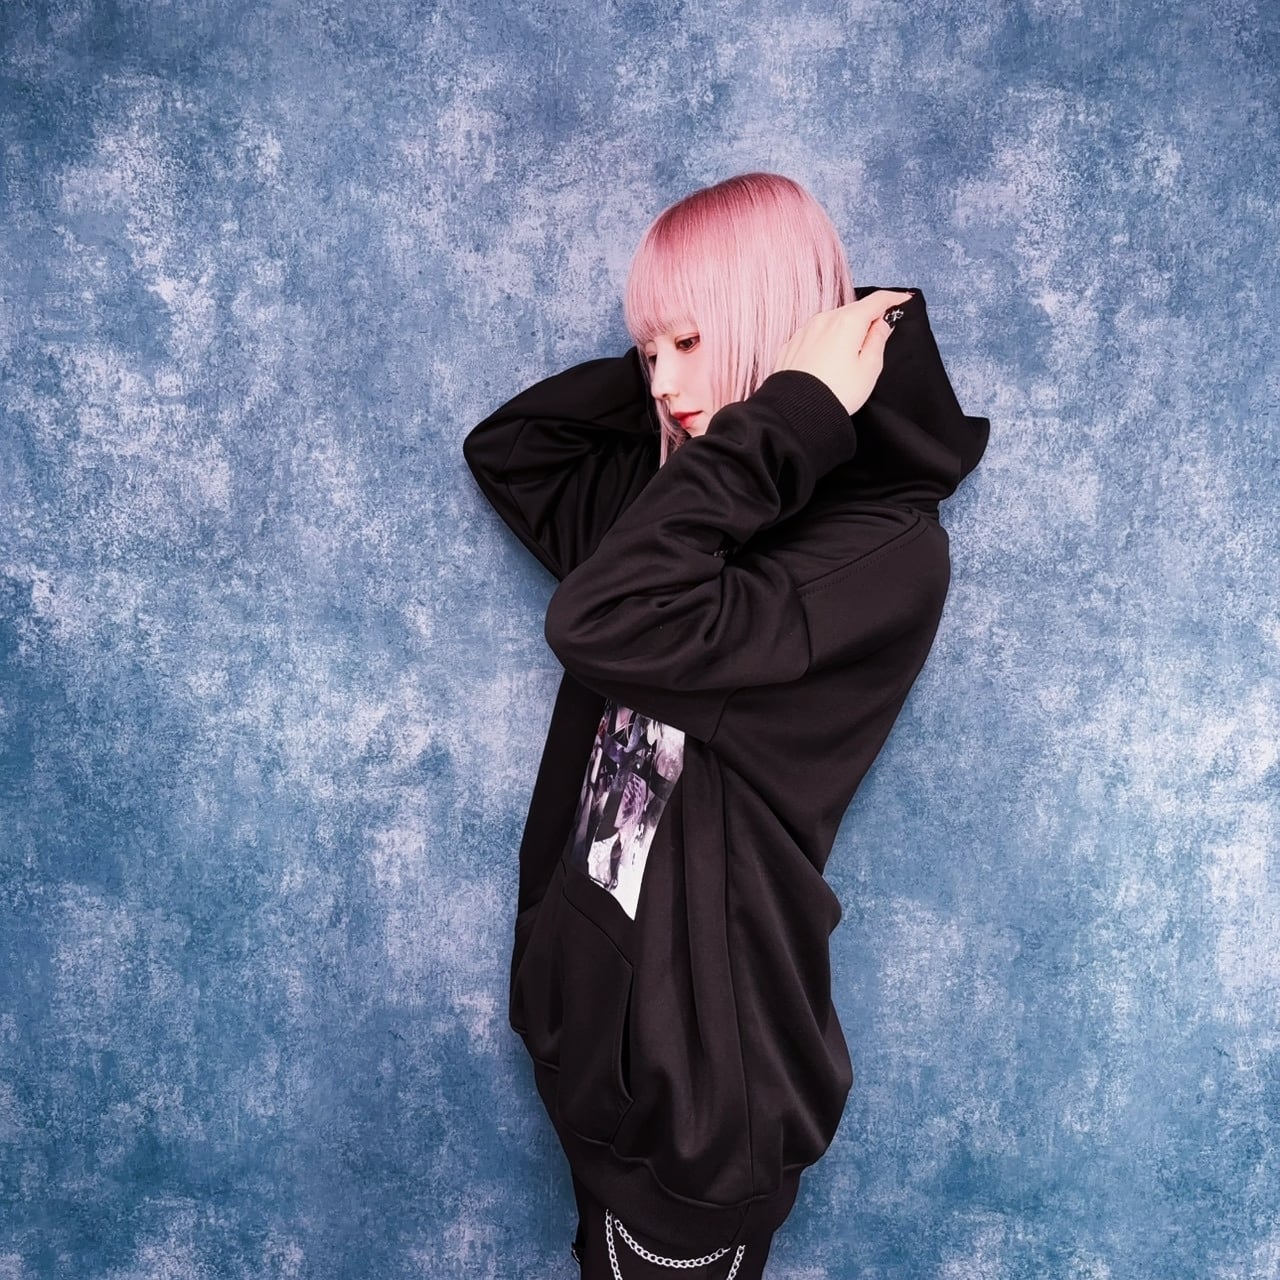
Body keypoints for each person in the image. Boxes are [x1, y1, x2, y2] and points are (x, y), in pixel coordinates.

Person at [462, 172, 989, 1279]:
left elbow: (597, 618)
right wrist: (734, 381)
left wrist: (794, 402)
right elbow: (514, 449)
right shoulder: (693, 501)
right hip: (596, 1050)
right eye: (647, 353)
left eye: (691, 342)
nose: (662, 384)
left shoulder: (877, 553)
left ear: (775, 334)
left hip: (696, 1113)